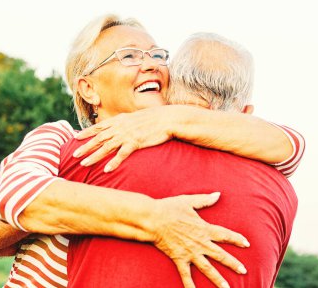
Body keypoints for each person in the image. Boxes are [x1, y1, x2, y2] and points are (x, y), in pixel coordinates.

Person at [0, 15, 304, 288]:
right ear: (88, 88)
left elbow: (291, 146)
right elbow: (13, 199)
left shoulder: (190, 146)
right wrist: (156, 218)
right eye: (129, 56)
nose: (151, 65)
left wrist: (171, 118)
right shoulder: (62, 139)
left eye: (158, 55)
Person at [60, 31, 303, 287]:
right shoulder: (283, 194)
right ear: (245, 113)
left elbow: (17, 209)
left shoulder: (101, 146)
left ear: (171, 89)